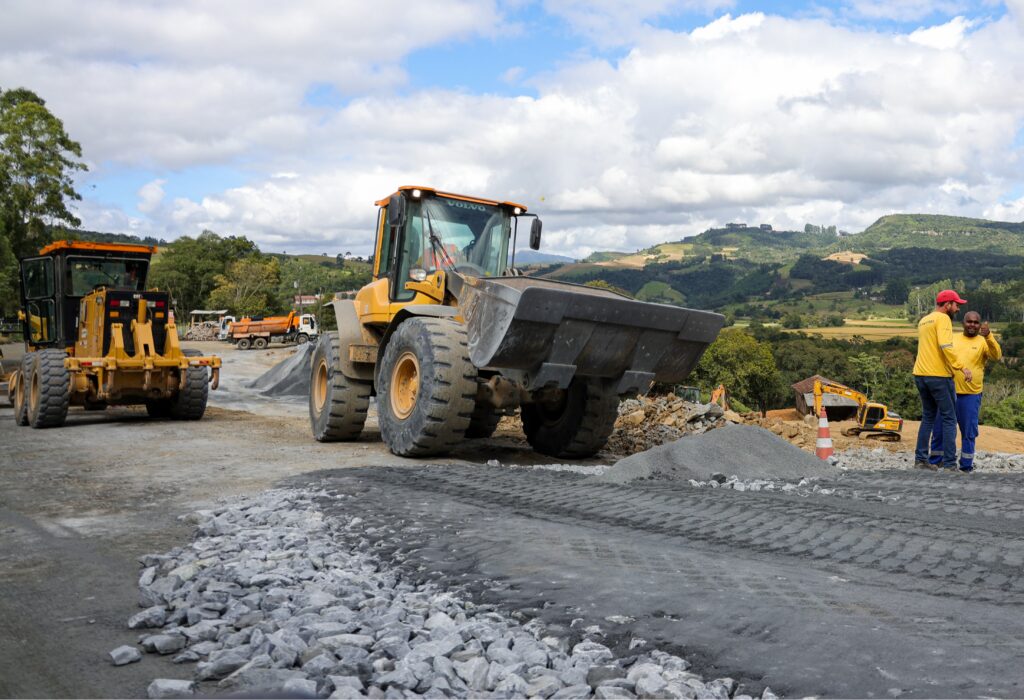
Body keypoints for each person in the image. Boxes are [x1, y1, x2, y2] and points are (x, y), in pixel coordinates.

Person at [929, 311, 1001, 472]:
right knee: (940, 429)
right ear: (963, 323)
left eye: (976, 322)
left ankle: (966, 466)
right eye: (969, 322)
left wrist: (989, 336)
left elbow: (996, 355)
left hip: (971, 395)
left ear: (980, 324)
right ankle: (935, 461)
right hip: (948, 393)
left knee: (968, 431)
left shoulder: (983, 341)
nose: (972, 325)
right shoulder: (952, 338)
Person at [912, 290, 972, 471]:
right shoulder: (943, 319)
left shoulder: (924, 320)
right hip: (938, 375)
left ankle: (920, 460)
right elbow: (946, 346)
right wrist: (961, 367)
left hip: (920, 374)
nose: (958, 308)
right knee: (949, 419)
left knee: (928, 417)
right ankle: (950, 465)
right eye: (956, 305)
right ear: (947, 305)